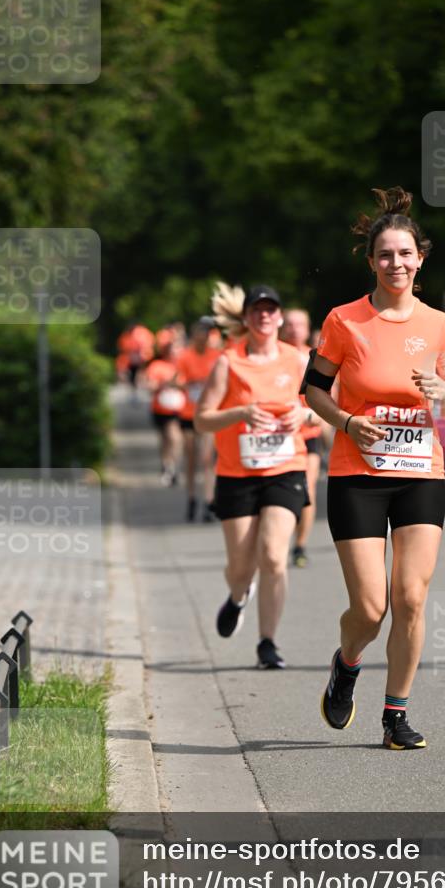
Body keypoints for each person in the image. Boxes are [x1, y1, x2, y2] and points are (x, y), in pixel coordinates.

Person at [304, 187, 445, 749]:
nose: (396, 263)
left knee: (412, 598)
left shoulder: (441, 325)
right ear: (372, 261)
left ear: (420, 258)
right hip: (357, 474)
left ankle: (395, 715)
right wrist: (347, 422)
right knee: (371, 608)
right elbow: (313, 390)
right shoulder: (345, 321)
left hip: (421, 470)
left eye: (405, 254)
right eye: (385, 255)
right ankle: (347, 662)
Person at [194, 283, 310, 669]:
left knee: (275, 556)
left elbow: (322, 408)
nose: (264, 315)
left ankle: (267, 643)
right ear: (246, 318)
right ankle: (238, 594)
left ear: (279, 317)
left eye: (270, 309)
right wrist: (240, 414)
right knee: (241, 566)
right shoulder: (229, 362)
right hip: (237, 472)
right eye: (256, 309)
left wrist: (303, 414)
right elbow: (201, 420)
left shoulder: (297, 360)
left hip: (285, 467)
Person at [281, 308, 324, 567]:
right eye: (290, 324)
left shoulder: (316, 359)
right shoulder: (270, 356)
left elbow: (330, 403)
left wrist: (309, 416)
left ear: (308, 329)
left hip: (307, 435)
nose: (294, 329)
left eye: (300, 324)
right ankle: (275, 543)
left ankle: (299, 545)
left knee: (307, 491)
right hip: (277, 437)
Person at [175, 319, 221, 522]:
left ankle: (209, 502)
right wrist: (187, 383)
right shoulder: (185, 356)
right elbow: (177, 380)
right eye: (199, 338)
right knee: (191, 460)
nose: (202, 342)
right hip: (188, 414)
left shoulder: (217, 356)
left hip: (209, 413)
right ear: (194, 338)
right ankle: (191, 498)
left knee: (207, 459)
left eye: (205, 338)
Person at [145, 343, 185, 485]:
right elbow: (150, 386)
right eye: (174, 350)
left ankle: (174, 467)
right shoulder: (156, 366)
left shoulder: (183, 365)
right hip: (160, 408)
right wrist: (164, 384)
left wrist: (177, 385)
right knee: (164, 439)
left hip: (177, 409)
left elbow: (189, 384)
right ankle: (166, 465)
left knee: (174, 436)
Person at [117, 321, 155, 392]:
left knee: (139, 370)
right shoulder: (144, 331)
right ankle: (137, 384)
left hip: (140, 355)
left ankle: (138, 384)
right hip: (143, 355)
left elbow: (127, 346)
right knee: (138, 370)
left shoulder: (136, 333)